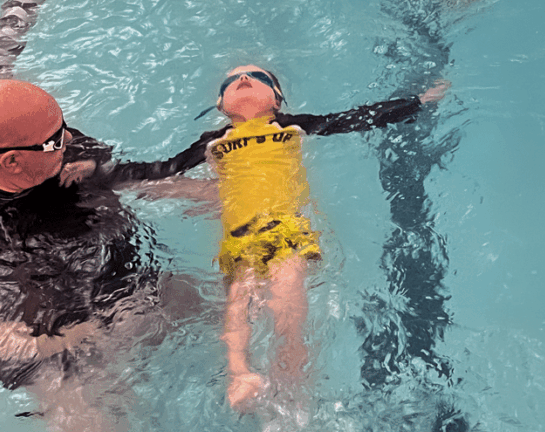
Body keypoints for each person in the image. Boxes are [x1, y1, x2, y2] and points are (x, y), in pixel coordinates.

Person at [0, 79, 210, 431]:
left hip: (124, 292)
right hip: (63, 349)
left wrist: (213, 195)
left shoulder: (47, 152)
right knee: (84, 415)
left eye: (62, 128)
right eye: (56, 139)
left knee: (199, 296)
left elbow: (122, 176)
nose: (71, 140)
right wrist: (67, 339)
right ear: (12, 161)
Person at [178, 65, 450, 409]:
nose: (243, 80)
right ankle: (239, 375)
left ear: (277, 100)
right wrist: (102, 173)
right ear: (221, 105)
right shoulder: (211, 143)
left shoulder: (292, 126)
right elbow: (157, 170)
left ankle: (293, 381)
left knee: (287, 297)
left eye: (258, 78)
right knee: (238, 302)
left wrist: (417, 102)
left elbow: (354, 118)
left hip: (285, 230)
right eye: (232, 82)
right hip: (239, 237)